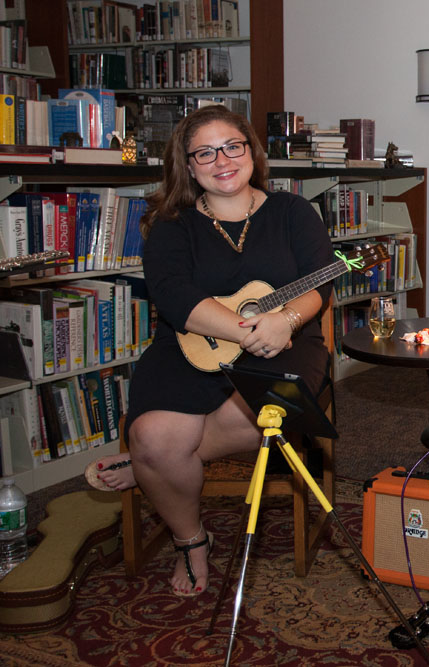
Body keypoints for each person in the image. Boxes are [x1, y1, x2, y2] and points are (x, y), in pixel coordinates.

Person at [84, 104, 333, 597]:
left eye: (232, 146)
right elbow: (175, 295)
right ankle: (190, 539)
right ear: (189, 164)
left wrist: (283, 321)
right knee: (155, 432)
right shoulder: (171, 223)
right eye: (205, 153)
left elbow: (317, 283)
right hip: (188, 344)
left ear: (250, 150)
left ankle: (150, 469)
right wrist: (246, 331)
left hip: (285, 343)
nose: (222, 160)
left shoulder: (292, 211)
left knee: (262, 415)